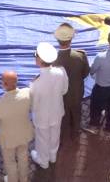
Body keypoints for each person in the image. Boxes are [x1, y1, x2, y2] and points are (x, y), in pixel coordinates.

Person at [29, 42, 68, 170]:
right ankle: (53, 156)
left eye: (36, 56)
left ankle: (43, 160)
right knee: (55, 134)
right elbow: (64, 90)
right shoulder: (61, 71)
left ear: (40, 60)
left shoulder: (36, 82)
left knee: (42, 138)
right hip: (57, 111)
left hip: (42, 116)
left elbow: (33, 105)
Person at [0, 71, 33, 182]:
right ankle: (24, 179)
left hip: (7, 137)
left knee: (10, 162)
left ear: (4, 84)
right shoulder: (27, 93)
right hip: (24, 133)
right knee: (23, 157)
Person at [52, 23, 89, 139]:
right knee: (77, 111)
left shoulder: (53, 59)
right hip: (77, 92)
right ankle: (75, 131)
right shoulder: (80, 56)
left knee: (63, 115)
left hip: (61, 95)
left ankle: (64, 134)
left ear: (58, 40)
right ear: (71, 39)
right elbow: (86, 72)